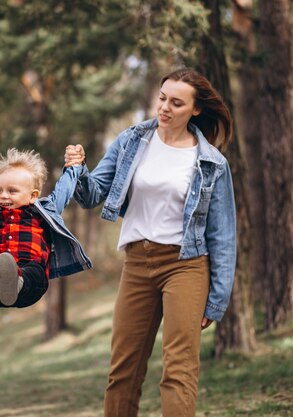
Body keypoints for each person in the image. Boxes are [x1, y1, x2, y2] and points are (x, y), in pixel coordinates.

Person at [64, 68, 236, 417]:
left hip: (185, 265)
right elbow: (92, 193)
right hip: (137, 264)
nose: (165, 108)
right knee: (123, 370)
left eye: (176, 102)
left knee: (179, 370)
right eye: (162, 98)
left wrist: (216, 300)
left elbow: (222, 235)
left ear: (196, 110)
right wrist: (78, 170)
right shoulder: (131, 141)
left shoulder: (211, 163)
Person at [0, 148, 92, 321]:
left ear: (33, 196)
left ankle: (17, 281)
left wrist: (74, 166)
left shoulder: (44, 210)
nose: (3, 196)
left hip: (32, 282)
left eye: (12, 191)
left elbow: (64, 190)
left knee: (32, 271)